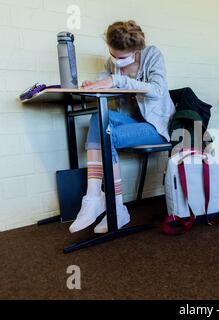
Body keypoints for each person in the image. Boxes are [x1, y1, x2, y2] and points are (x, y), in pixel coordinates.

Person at [69, 20, 175, 234]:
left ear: (137, 50)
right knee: (98, 118)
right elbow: (105, 77)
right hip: (132, 122)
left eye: (122, 57)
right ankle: (94, 198)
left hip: (156, 127)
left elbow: (157, 90)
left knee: (109, 136)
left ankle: (116, 208)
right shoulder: (113, 63)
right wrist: (94, 83)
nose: (117, 61)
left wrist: (117, 80)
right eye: (113, 55)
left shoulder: (152, 55)